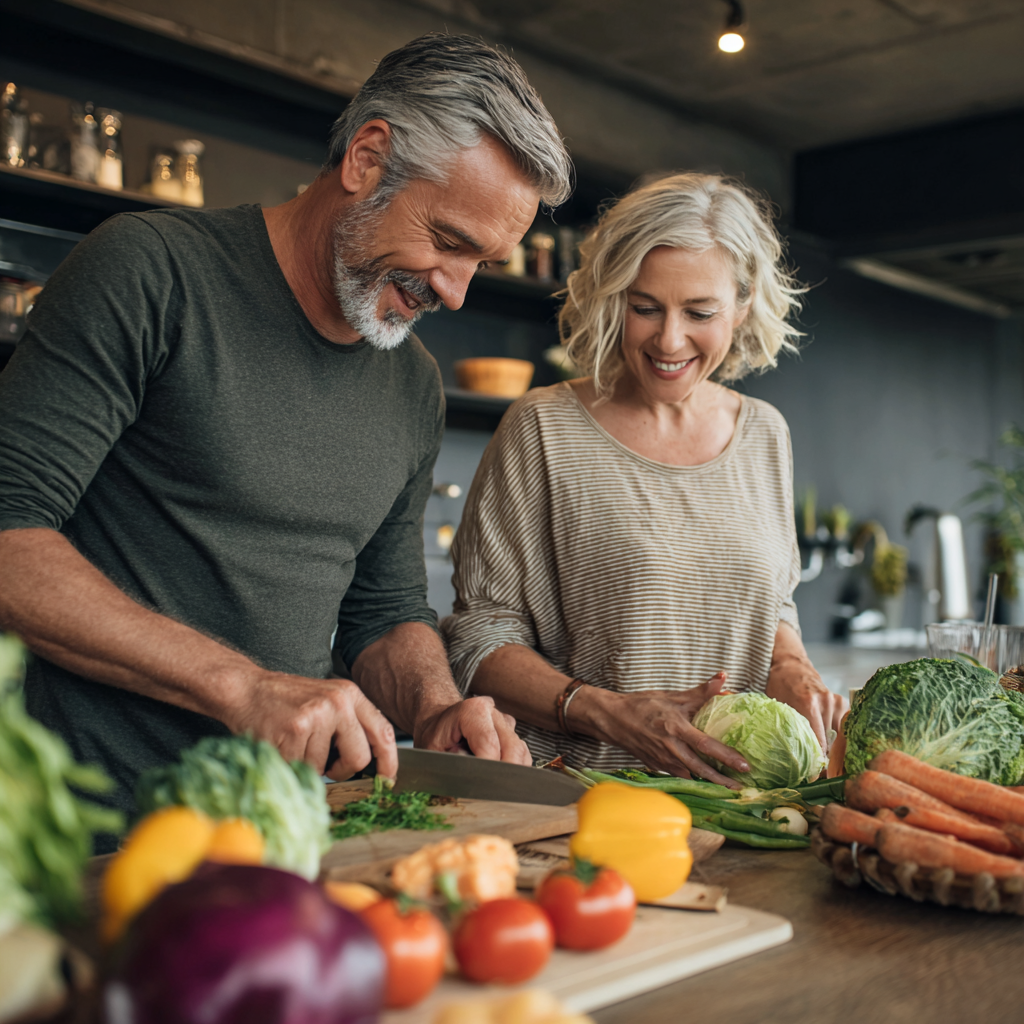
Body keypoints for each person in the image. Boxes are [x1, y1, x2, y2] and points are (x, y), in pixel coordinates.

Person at [0, 34, 572, 835]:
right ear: (367, 157)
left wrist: (439, 705)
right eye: (448, 241)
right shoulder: (150, 273)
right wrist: (243, 687)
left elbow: (385, 610)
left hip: (282, 829)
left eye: (483, 262)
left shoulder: (411, 384)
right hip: (80, 827)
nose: (453, 288)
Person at [442, 173, 847, 786]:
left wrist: (789, 663)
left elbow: (772, 601)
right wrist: (610, 713)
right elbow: (478, 638)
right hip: (586, 802)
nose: (670, 339)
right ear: (613, 299)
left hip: (746, 810)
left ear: (741, 307)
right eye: (645, 307)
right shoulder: (544, 427)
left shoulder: (765, 432)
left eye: (700, 312)